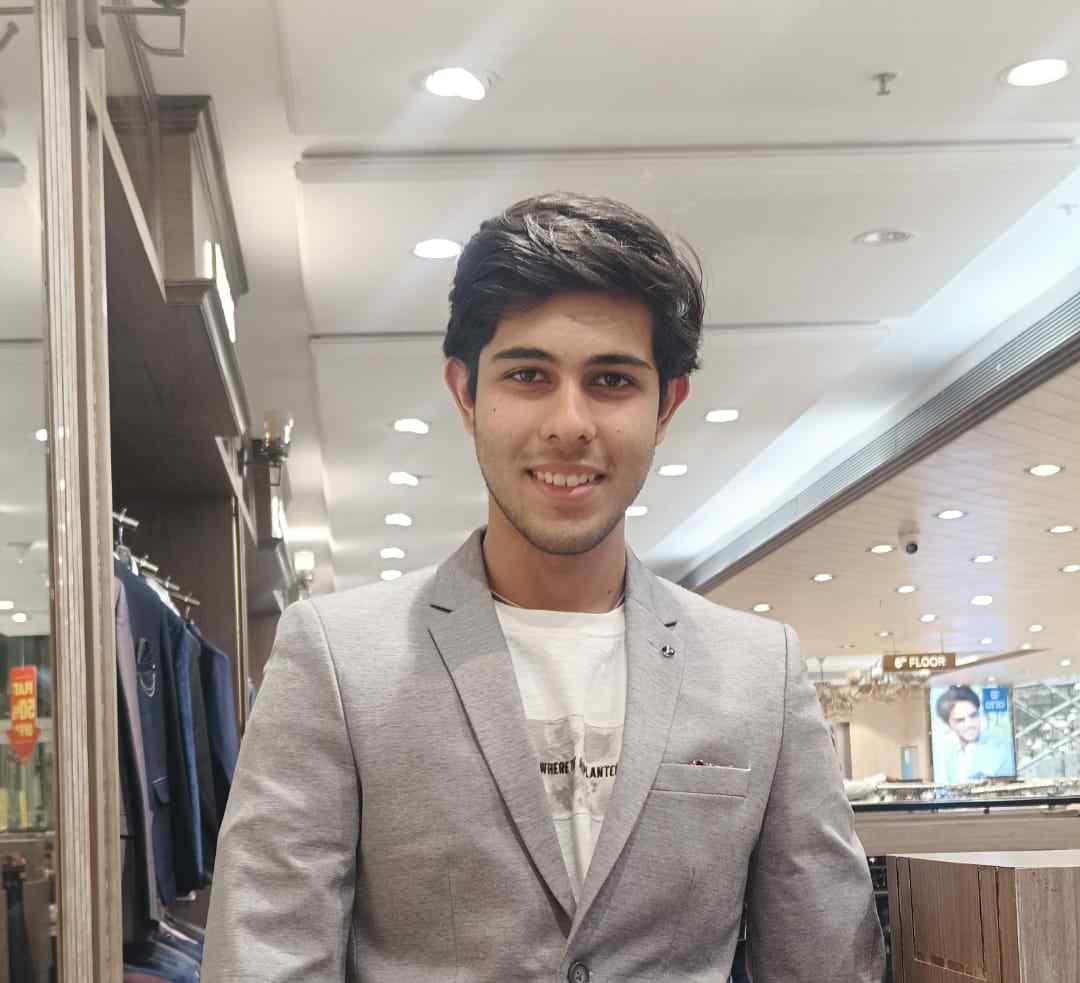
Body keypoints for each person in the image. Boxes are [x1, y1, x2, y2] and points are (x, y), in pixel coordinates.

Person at [203, 193, 885, 982]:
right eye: (528, 375)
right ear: (466, 393)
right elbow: (266, 956)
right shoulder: (339, 659)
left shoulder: (759, 672)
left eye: (611, 380)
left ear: (666, 405)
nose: (569, 422)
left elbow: (825, 959)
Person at [935, 685, 1015, 784]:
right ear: (949, 725)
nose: (970, 724)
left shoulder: (1001, 749)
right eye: (960, 720)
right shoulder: (949, 754)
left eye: (973, 716)